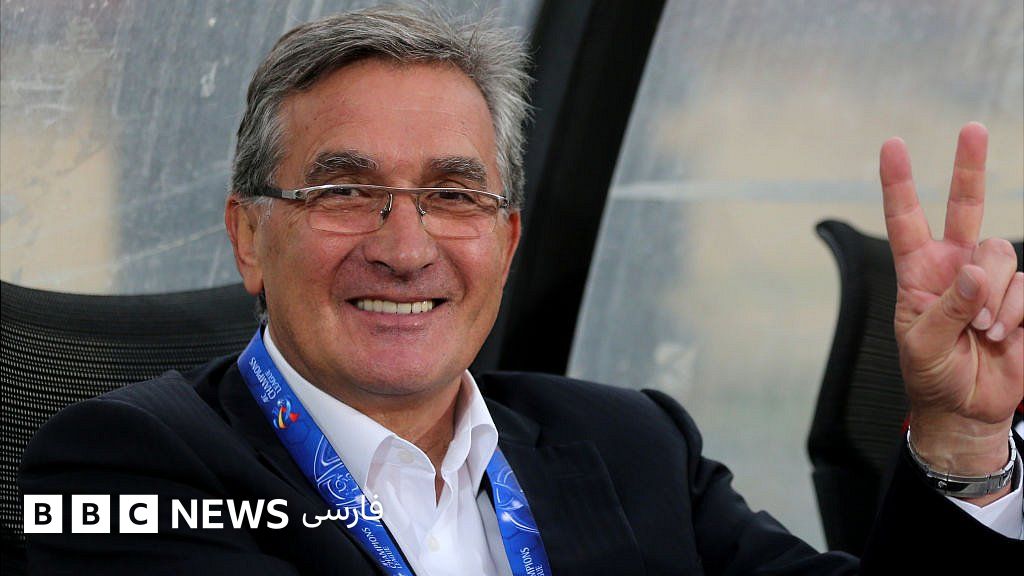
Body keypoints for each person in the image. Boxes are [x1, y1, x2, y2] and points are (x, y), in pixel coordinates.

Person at [20, 5, 1023, 575]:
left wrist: (962, 442)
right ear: (249, 236)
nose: (404, 247)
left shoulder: (634, 446)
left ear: (506, 239)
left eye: (454, 195)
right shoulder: (117, 472)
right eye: (345, 191)